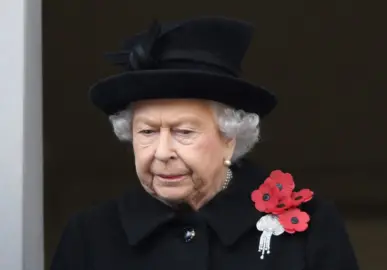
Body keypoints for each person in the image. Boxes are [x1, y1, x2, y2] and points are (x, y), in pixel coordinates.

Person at [51, 17, 359, 270]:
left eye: (184, 132)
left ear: (229, 138)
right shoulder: (90, 236)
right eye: (147, 132)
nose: (162, 153)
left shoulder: (310, 230)